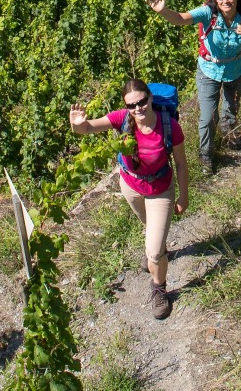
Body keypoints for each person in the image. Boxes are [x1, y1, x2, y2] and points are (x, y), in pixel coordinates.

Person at [70, 78, 187, 319]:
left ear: (150, 98)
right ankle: (157, 247)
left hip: (160, 189)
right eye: (131, 105)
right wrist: (77, 125)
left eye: (142, 102)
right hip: (130, 186)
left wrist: (183, 196)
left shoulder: (169, 126)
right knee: (150, 228)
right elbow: (88, 128)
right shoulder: (122, 118)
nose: (138, 109)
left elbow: (182, 164)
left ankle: (159, 288)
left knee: (153, 252)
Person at [144, 0, 241, 173]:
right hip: (209, 71)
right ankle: (206, 156)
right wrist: (162, 11)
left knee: (232, 106)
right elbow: (181, 19)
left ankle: (229, 135)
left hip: (236, 68)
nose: (225, 0)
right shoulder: (207, 13)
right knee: (208, 116)